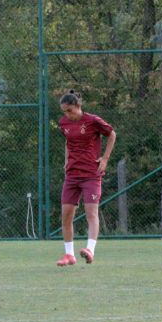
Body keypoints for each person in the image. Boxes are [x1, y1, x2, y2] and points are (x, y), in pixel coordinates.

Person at [56, 90, 116, 266]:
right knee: (66, 216)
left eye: (69, 110)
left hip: (91, 174)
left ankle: (90, 249)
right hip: (72, 175)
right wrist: (66, 161)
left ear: (78, 106)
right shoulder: (63, 123)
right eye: (64, 111)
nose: (67, 114)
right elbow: (68, 141)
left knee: (91, 213)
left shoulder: (92, 121)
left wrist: (104, 158)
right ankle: (69, 255)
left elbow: (112, 134)